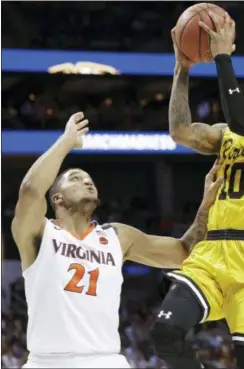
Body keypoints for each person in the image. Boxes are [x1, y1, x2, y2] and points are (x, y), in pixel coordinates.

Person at [151, 13, 244, 369]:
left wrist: (223, 56)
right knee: (165, 333)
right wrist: (182, 69)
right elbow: (180, 132)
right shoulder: (225, 134)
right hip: (210, 252)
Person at [11, 112, 224, 369]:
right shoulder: (39, 232)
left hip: (105, 360)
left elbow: (182, 252)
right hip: (47, 362)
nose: (87, 182)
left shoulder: (117, 236)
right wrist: (66, 141)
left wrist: (206, 206)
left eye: (89, 180)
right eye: (76, 179)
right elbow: (31, 190)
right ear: (57, 199)